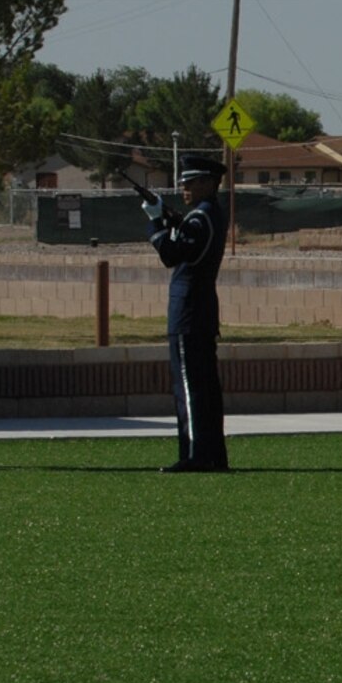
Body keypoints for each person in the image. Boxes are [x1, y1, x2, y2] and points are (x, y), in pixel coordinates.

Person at [141, 153, 230, 472]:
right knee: (205, 388)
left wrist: (154, 223)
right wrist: (171, 220)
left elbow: (171, 255)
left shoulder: (199, 218)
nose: (184, 188)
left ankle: (195, 455)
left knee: (190, 389)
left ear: (208, 183)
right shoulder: (209, 215)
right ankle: (213, 454)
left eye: (190, 182)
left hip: (189, 313)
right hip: (202, 312)